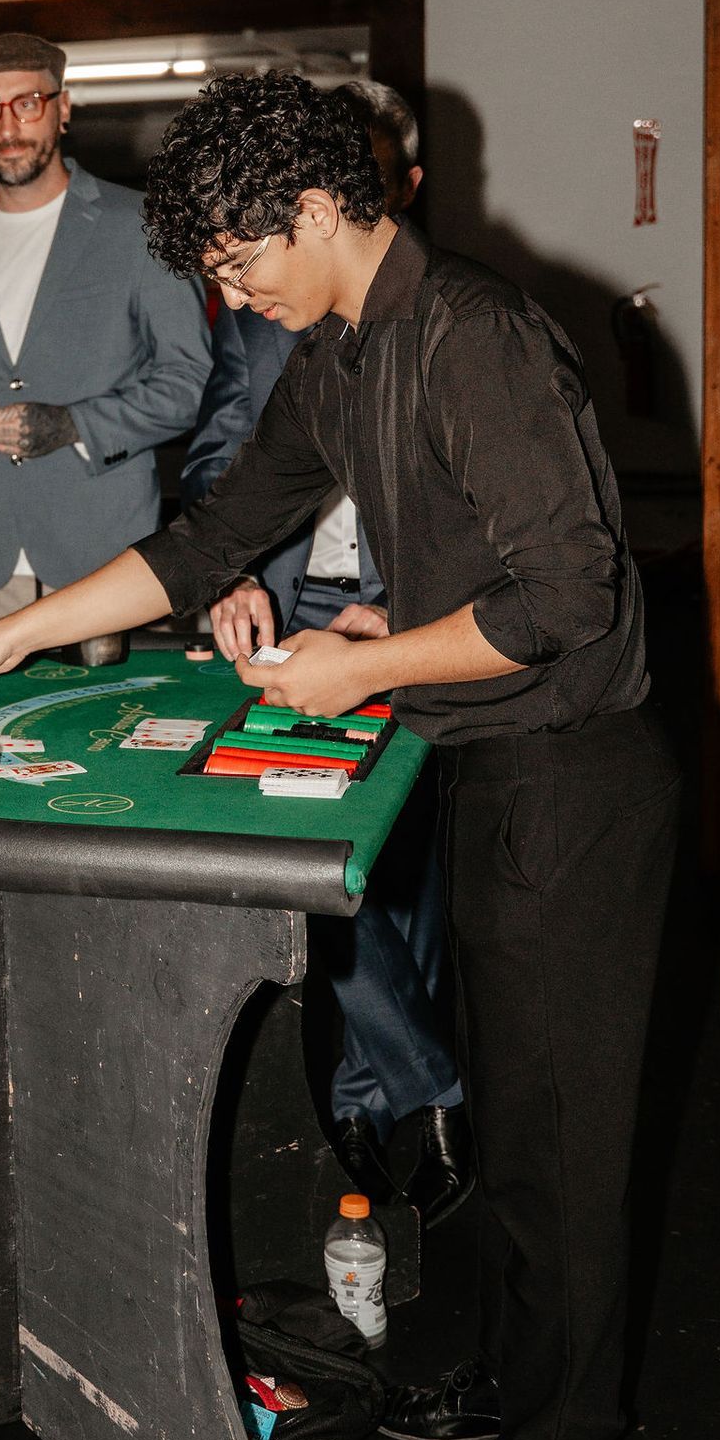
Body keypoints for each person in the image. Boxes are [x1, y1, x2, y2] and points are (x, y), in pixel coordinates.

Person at [0, 71, 679, 1440]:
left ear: (320, 208)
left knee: (559, 1144)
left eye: (246, 262)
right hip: (495, 762)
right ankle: (523, 1382)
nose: (237, 297)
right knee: (514, 1117)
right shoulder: (343, 349)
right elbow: (209, 539)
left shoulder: (473, 334)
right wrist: (18, 633)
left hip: (577, 778)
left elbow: (574, 596)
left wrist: (365, 659)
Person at [179, 79, 471, 1227]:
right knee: (322, 867)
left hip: (427, 624)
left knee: (415, 880)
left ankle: (396, 1085)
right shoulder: (265, 315)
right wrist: (236, 570)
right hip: (306, 616)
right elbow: (216, 469)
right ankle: (402, 1090)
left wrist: (401, 634)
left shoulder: (456, 323)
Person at [0, 31, 212, 623]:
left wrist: (73, 424)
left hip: (107, 555)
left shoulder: (139, 224)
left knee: (113, 717)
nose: (7, 128)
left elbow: (190, 381)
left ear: (62, 109)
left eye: (26, 104)